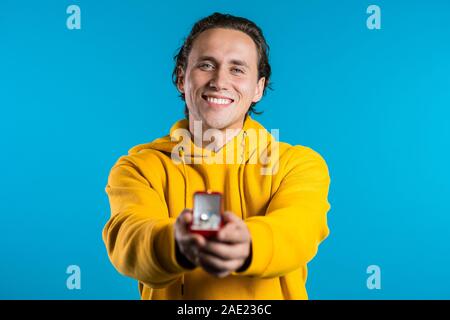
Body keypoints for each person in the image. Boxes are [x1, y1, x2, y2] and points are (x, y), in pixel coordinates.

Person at [102, 12, 331, 300]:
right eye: (207, 65)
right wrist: (175, 242)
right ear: (181, 78)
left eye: (237, 69)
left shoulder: (297, 165)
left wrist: (248, 244)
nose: (219, 81)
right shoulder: (139, 167)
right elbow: (128, 239)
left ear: (258, 88)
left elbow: (300, 230)